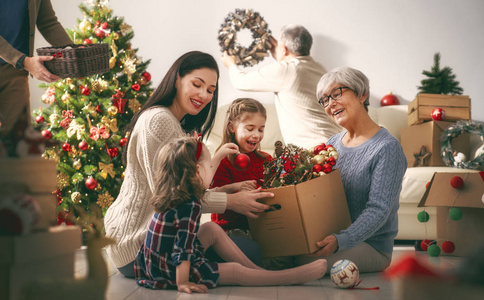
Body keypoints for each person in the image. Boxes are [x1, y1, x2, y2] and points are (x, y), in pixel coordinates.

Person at [104, 51, 273, 278]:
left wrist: (224, 191)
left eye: (210, 90)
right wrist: (230, 202)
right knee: (252, 251)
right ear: (176, 79)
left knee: (249, 250)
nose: (203, 95)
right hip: (139, 246)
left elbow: (186, 190)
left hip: (148, 238)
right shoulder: (159, 121)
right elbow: (170, 198)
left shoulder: (176, 125)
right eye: (197, 84)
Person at [135, 136, 327, 293]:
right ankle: (286, 278)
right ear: (197, 171)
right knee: (234, 271)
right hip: (169, 269)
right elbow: (182, 248)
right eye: (210, 167)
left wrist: (229, 182)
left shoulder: (178, 191)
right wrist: (183, 282)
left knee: (211, 228)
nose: (213, 169)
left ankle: (258, 273)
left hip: (154, 261)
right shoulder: (189, 205)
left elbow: (206, 196)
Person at [294, 67, 407, 273]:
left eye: (336, 94)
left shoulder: (387, 147)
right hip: (333, 236)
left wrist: (341, 240)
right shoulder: (333, 143)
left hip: (371, 246)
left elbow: (379, 210)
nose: (330, 104)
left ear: (362, 94)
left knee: (304, 260)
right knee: (283, 248)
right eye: (325, 100)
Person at [221, 24, 342, 149]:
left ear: (284, 49)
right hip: (337, 142)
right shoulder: (320, 69)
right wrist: (281, 56)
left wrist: (231, 64)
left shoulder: (287, 70)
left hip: (314, 150)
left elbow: (241, 81)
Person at [0, 0, 72, 155]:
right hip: (20, 62)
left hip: (15, 71)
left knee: (16, 141)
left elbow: (48, 22)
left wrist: (72, 53)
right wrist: (23, 61)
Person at [208, 98, 272, 266]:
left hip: (264, 227)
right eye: (250, 128)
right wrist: (237, 192)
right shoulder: (222, 161)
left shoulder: (266, 159)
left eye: (261, 129)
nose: (257, 135)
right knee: (254, 253)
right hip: (231, 230)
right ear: (232, 127)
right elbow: (214, 200)